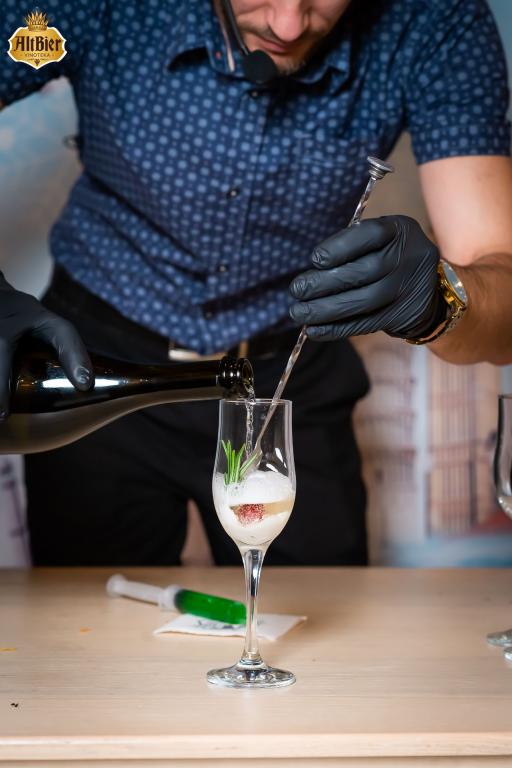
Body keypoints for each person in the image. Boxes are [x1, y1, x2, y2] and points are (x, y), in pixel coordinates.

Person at [1, 0, 511, 566]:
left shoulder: (437, 17)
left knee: (313, 619)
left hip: (288, 381)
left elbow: (500, 290)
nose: (287, 25)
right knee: (83, 615)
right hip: (97, 367)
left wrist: (439, 301)